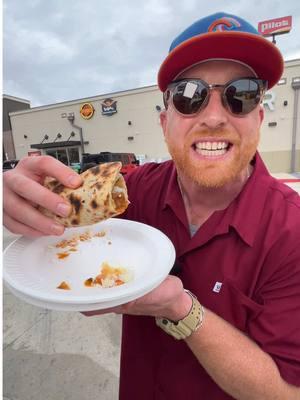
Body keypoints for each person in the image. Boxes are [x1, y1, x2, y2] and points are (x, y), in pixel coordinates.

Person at [3, 11, 300, 400]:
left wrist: (182, 310)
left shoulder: (290, 231)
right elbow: (56, 227)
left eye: (239, 95)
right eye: (189, 96)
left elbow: (286, 392)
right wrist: (20, 197)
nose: (213, 117)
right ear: (165, 123)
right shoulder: (134, 192)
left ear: (259, 118)